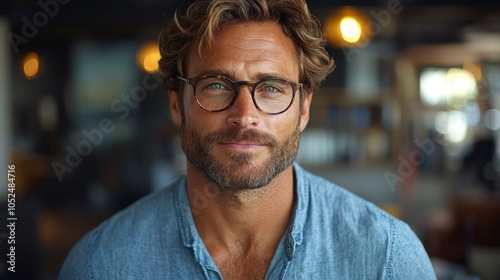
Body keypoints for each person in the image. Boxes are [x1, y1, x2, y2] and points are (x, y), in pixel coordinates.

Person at [59, 0, 436, 279]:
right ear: (177, 104)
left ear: (303, 108)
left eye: (271, 88)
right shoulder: (100, 264)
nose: (244, 116)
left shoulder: (387, 258)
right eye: (217, 85)